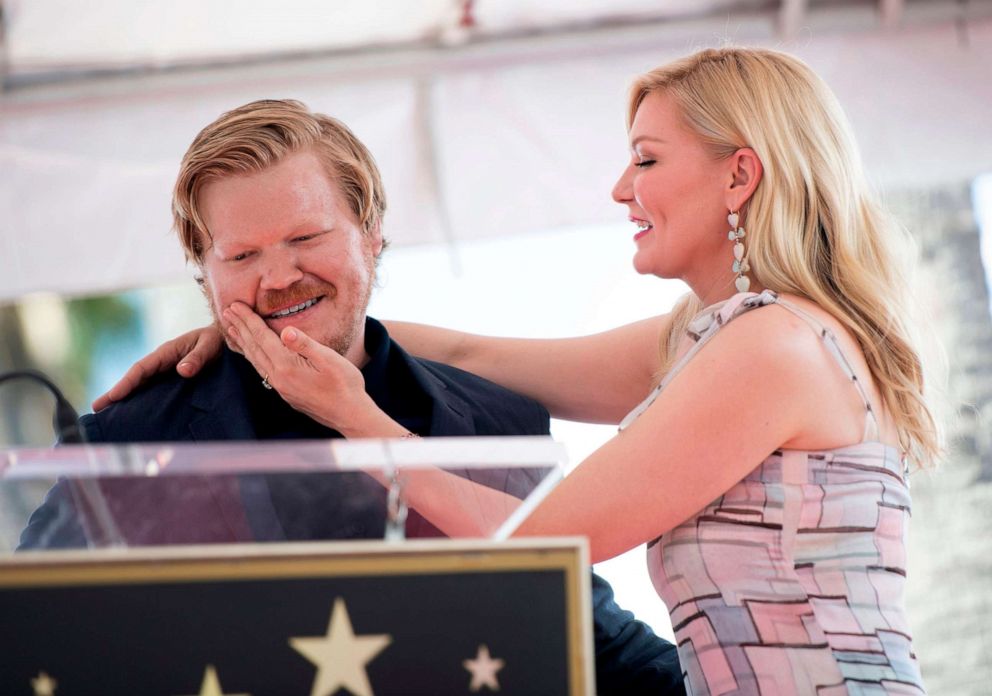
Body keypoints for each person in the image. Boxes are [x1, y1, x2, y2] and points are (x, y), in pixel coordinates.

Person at [106, 47, 941, 693]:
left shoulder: (773, 351)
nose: (620, 187)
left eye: (647, 159)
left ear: (741, 175)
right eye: (243, 252)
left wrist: (355, 414)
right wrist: (260, 321)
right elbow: (475, 355)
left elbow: (544, 542)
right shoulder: (713, 338)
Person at [19, 99, 684, 694]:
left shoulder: (497, 421)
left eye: (305, 238)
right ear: (204, 273)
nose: (279, 276)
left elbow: (591, 645)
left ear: (370, 232)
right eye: (241, 256)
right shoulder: (125, 442)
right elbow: (25, 643)